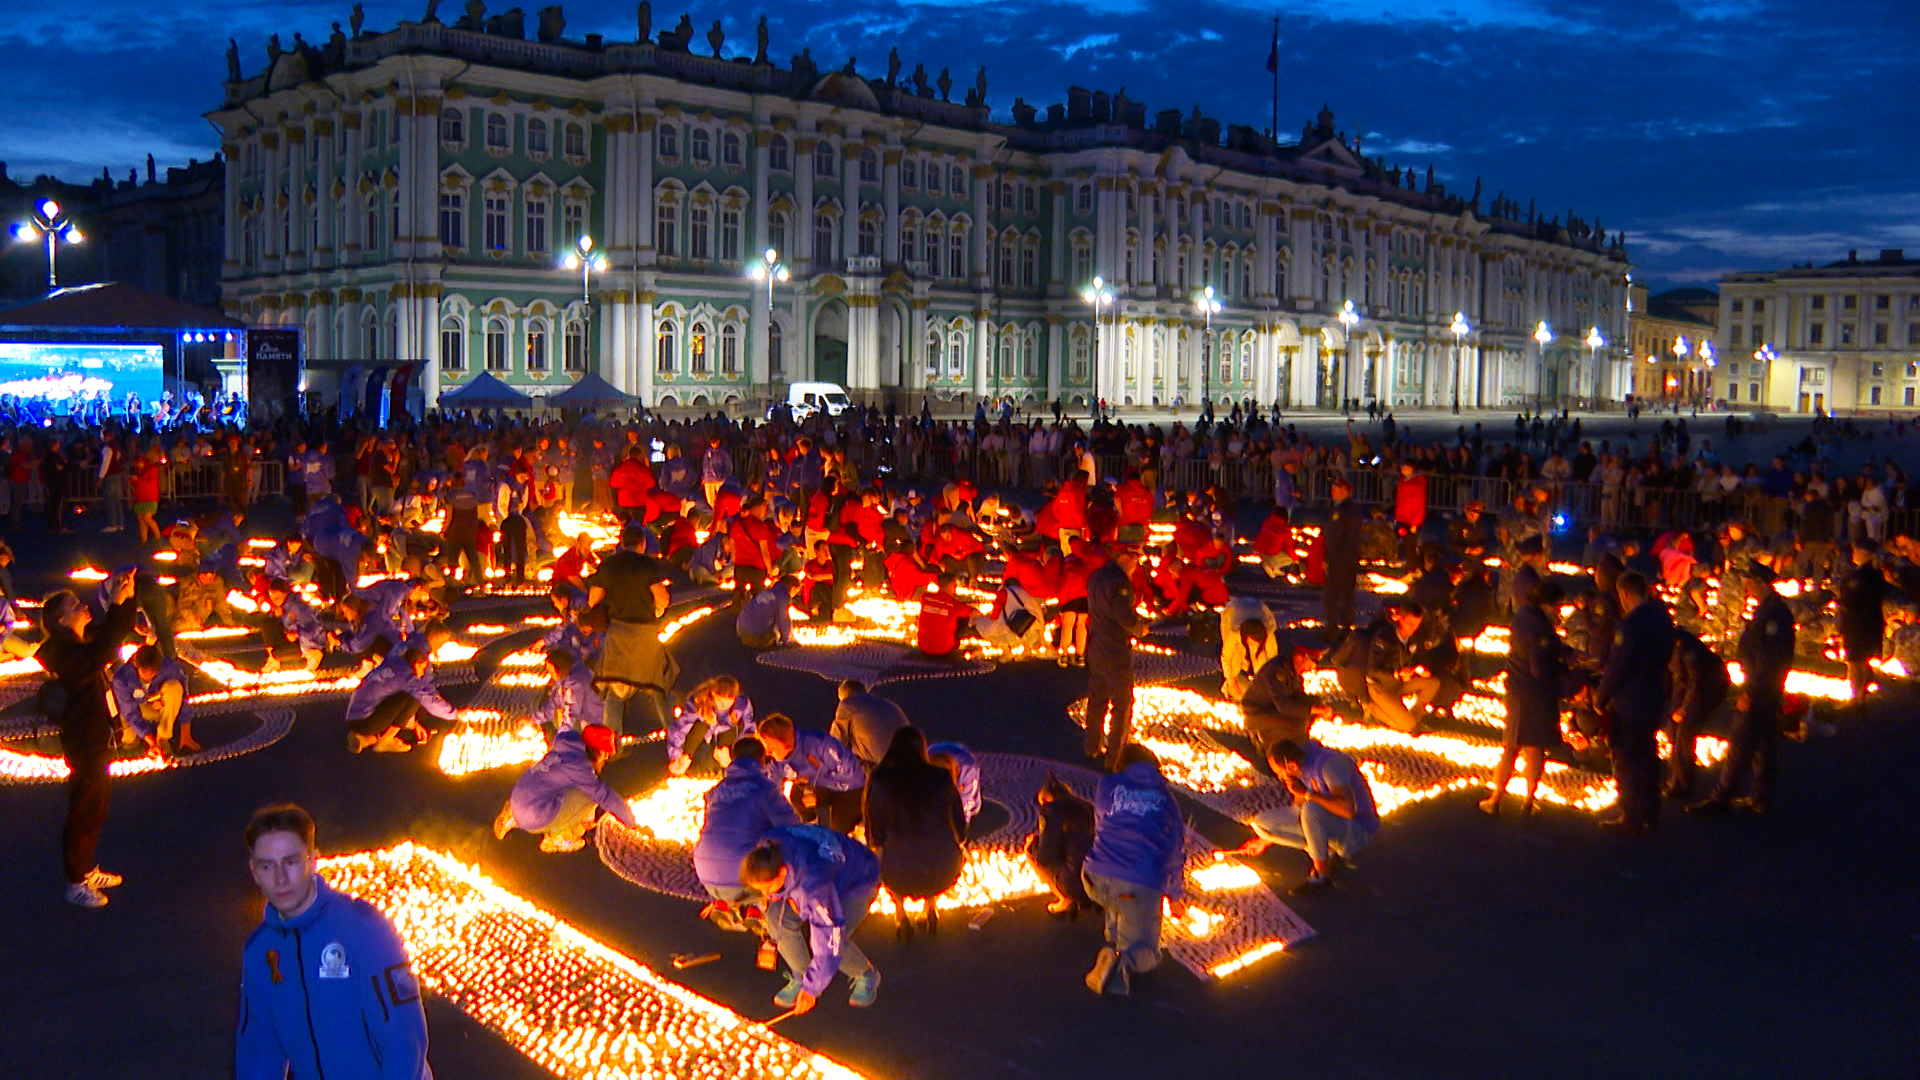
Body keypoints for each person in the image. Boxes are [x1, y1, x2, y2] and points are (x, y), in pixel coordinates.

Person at [236, 804, 430, 1079]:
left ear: (312, 861)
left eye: (291, 862)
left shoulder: (363, 928)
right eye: (267, 866)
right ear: (254, 872)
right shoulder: (261, 952)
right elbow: (259, 1052)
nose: (280, 878)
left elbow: (404, 1037)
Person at [37, 575, 139, 908]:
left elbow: (113, 635)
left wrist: (125, 600)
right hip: (83, 739)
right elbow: (103, 652)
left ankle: (85, 867)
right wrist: (116, 604)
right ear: (62, 620)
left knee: (96, 807)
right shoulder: (63, 652)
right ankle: (75, 881)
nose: (83, 605)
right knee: (84, 808)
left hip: (96, 734)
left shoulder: (83, 640)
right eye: (74, 605)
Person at [739, 825, 883, 1013]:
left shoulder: (813, 888)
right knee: (775, 917)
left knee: (838, 939)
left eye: (768, 887)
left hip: (857, 879)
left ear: (783, 872)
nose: (765, 893)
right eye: (760, 889)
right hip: (818, 874)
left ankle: (866, 973)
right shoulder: (767, 847)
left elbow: (830, 935)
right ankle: (801, 975)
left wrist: (812, 990)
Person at [1080, 744, 1186, 996]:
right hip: (1137, 883)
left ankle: (1113, 936)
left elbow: (1102, 824)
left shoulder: (1107, 785)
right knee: (1148, 951)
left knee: (1119, 897)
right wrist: (1175, 896)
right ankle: (1122, 960)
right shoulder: (1166, 800)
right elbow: (1175, 852)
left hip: (1094, 875)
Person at [1692, 566, 1796, 816]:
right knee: (1763, 743)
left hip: (1761, 689)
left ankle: (1721, 797)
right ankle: (1761, 796)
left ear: (1761, 582)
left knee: (1740, 742)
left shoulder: (1774, 615)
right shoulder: (1767, 610)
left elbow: (1769, 659)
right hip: (1764, 687)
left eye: (1748, 582)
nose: (1745, 587)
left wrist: (1751, 692)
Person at [1238, 738, 1381, 893]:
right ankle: (1327, 852)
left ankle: (1321, 874)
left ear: (1291, 765)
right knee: (1263, 825)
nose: (1280, 777)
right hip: (1329, 819)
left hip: (1356, 831)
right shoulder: (1303, 764)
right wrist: (1266, 840)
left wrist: (1308, 793)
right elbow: (1298, 808)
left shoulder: (1329, 766)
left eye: (1280, 773)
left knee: (1312, 808)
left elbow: (1347, 810)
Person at [863, 727, 967, 939]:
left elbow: (874, 835)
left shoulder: (880, 780)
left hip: (898, 874)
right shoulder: (941, 777)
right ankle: (930, 907)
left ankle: (901, 915)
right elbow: (960, 824)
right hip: (944, 870)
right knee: (926, 850)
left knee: (887, 853)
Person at [693, 737, 800, 932]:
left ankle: (722, 903)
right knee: (777, 838)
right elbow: (791, 827)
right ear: (762, 760)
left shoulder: (715, 792)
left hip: (706, 876)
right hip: (745, 878)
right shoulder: (766, 790)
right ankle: (756, 906)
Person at [1594, 571, 1673, 834]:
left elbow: (1617, 667)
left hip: (1630, 699)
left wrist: (1601, 698)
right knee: (1648, 755)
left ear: (1625, 594)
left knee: (1626, 757)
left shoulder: (1629, 626)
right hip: (1654, 695)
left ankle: (1630, 814)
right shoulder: (1662, 619)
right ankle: (1651, 812)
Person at [1483, 581, 1570, 817]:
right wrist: (1562, 664)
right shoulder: (1539, 629)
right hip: (1533, 692)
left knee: (1511, 745)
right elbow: (1539, 667)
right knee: (1532, 747)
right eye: (1557, 606)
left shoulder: (1524, 616)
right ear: (1546, 604)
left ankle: (1496, 798)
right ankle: (1527, 799)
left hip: (1519, 690)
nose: (1559, 611)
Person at [587, 520, 676, 735]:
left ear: (621, 542)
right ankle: (675, 739)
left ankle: (610, 746)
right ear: (642, 543)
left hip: (618, 633)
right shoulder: (647, 566)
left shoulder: (609, 566)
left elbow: (592, 600)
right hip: (644, 634)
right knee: (659, 687)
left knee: (616, 694)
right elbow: (663, 599)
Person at [493, 724, 637, 852]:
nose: (605, 760)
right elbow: (605, 796)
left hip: (518, 798)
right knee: (590, 796)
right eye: (605, 755)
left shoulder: (565, 745)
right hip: (536, 817)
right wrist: (632, 823)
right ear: (596, 751)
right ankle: (560, 835)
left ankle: (512, 816)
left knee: (580, 789)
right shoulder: (579, 768)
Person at [1084, 545, 1149, 772]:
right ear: (1124, 557)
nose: (1137, 564)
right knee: (1122, 704)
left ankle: (1092, 745)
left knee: (1097, 697)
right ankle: (1115, 756)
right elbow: (1124, 617)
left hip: (1095, 643)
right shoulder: (1120, 583)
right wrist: (1139, 628)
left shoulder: (1096, 576)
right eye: (1136, 558)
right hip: (1115, 649)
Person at [759, 713, 867, 833]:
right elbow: (770, 787)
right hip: (821, 786)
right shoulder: (777, 761)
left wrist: (814, 781)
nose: (768, 752)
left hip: (849, 789)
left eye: (771, 747)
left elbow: (850, 774)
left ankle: (857, 830)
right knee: (796, 793)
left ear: (784, 741)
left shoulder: (819, 744)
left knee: (838, 835)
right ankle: (811, 828)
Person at [343, 647, 457, 754]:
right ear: (416, 664)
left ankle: (364, 739)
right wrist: (454, 714)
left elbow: (394, 704)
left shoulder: (393, 662)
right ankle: (385, 739)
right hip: (367, 721)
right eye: (423, 668)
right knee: (414, 699)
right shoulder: (407, 678)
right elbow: (427, 701)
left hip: (353, 718)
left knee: (406, 717)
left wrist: (415, 723)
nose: (422, 673)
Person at [1836, 542, 1897, 707]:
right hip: (1870, 623)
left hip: (1857, 624)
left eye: (1856, 550)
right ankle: (1860, 696)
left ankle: (1856, 698)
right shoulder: (1877, 575)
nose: (1853, 554)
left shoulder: (1859, 576)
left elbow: (1851, 600)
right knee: (1861, 661)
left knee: (1855, 662)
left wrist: (1842, 608)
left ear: (1864, 552)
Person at [1026, 775, 1097, 916]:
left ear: (1044, 800)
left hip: (1077, 885)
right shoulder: (1087, 806)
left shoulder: (1052, 811)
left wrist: (1033, 844)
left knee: (1030, 851)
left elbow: (1045, 856)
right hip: (1102, 881)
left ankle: (1065, 899)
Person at [113, 645, 199, 757]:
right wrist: (151, 741)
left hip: (159, 705)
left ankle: (163, 738)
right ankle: (134, 745)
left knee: (175, 687)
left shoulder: (170, 668)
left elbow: (182, 698)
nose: (148, 675)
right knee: (130, 739)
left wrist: (185, 732)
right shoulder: (122, 677)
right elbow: (129, 711)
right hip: (137, 707)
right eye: (144, 671)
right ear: (135, 664)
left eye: (152, 672)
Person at [666, 674, 756, 774]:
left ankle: (730, 767)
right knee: (699, 725)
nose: (724, 705)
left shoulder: (742, 705)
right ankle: (686, 760)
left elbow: (749, 730)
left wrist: (742, 759)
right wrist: (675, 756)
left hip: (728, 734)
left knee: (728, 753)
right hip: (702, 734)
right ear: (713, 694)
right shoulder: (699, 701)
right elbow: (679, 728)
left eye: (729, 701)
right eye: (720, 700)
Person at [829, 679, 910, 772]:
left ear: (846, 693)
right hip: (908, 767)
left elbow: (835, 743)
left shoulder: (848, 703)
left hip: (882, 769)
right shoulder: (890, 704)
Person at [528, 648, 606, 735]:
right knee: (555, 720)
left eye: (551, 671)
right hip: (581, 719)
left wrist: (562, 737)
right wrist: (532, 720)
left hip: (592, 722)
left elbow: (571, 712)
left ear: (558, 668)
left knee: (560, 725)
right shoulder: (562, 679)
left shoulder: (574, 683)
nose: (549, 674)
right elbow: (552, 704)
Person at [1321, 477, 1363, 632]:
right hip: (1351, 556)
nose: (1332, 493)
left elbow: (1334, 536)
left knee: (1332, 593)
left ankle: (1331, 627)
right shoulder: (1355, 509)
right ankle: (1347, 624)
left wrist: (1327, 557)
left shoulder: (1340, 511)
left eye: (1335, 490)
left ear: (1344, 491)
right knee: (1347, 593)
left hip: (1339, 557)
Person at [1219, 596, 1279, 702]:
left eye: (1256, 642)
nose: (1252, 645)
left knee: (1262, 661)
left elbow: (1273, 658)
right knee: (1234, 660)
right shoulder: (1234, 631)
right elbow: (1226, 656)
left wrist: (1268, 681)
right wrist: (1230, 680)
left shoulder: (1268, 633)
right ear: (1245, 636)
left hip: (1257, 610)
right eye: (1250, 641)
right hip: (1234, 611)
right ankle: (1230, 691)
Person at [914, 573, 973, 658]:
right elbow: (972, 612)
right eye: (954, 583)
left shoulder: (925, 598)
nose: (956, 586)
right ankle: (955, 643)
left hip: (923, 646)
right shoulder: (955, 605)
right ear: (949, 584)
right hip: (945, 649)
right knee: (964, 616)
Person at [735, 572, 797, 648]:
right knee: (775, 633)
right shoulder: (784, 596)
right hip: (754, 631)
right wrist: (787, 639)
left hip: (741, 627)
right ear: (793, 588)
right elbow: (784, 619)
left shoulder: (767, 591)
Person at [925, 739, 981, 823]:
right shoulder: (926, 766)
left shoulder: (967, 770)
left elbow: (963, 812)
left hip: (960, 765)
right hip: (935, 757)